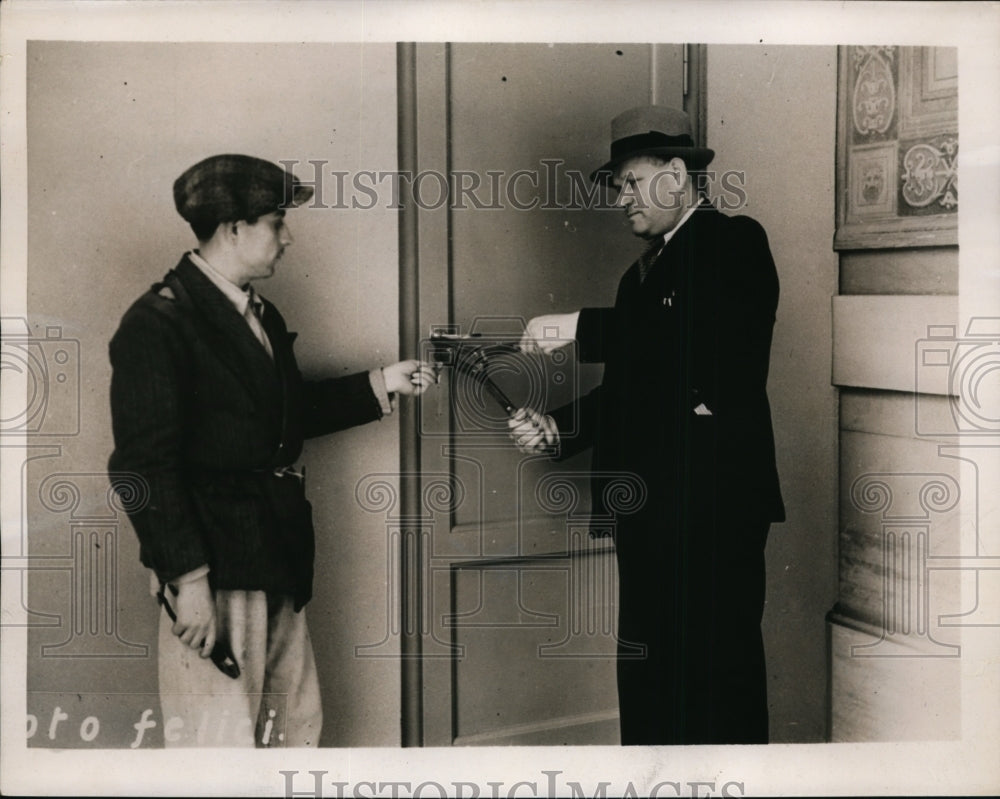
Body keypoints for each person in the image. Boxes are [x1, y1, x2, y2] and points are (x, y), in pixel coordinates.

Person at [107, 154, 436, 747]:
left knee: (294, 732)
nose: (289, 236)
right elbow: (143, 466)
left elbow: (274, 419)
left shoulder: (255, 311)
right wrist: (189, 580)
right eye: (277, 220)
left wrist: (382, 382)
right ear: (234, 228)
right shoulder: (159, 322)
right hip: (215, 568)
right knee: (219, 749)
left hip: (272, 553)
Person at [510, 106, 785, 745]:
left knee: (718, 688)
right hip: (649, 515)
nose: (623, 200)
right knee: (651, 687)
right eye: (618, 188)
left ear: (678, 172)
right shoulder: (639, 277)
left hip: (713, 513)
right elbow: (638, 387)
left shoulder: (735, 242)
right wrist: (560, 430)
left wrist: (580, 326)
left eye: (633, 183)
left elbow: (699, 346)